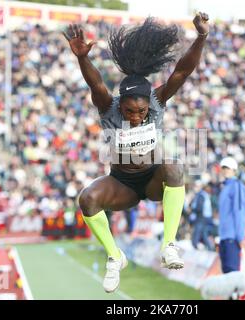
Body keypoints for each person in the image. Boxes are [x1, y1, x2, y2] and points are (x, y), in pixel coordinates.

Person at [63, 12, 210, 293]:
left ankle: (168, 245)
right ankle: (115, 256)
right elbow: (96, 84)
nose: (136, 116)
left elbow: (182, 71)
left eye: (141, 111)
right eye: (129, 111)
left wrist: (201, 37)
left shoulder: (156, 102)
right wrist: (82, 58)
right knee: (88, 199)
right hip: (123, 183)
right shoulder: (109, 107)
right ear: (120, 106)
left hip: (154, 179)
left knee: (175, 167)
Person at [218, 157, 245, 273]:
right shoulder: (224, 187)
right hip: (224, 236)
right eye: (223, 168)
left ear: (234, 170)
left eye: (228, 168)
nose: (225, 171)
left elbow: (239, 212)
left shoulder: (237, 186)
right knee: (225, 271)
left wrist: (240, 237)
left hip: (232, 237)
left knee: (232, 271)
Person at [191, 181, 214, 250]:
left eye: (196, 186)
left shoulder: (201, 195)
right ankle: (210, 248)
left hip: (201, 217)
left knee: (197, 233)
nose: (194, 188)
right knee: (204, 233)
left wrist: (192, 210)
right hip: (205, 217)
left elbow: (199, 208)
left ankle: (195, 246)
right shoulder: (203, 195)